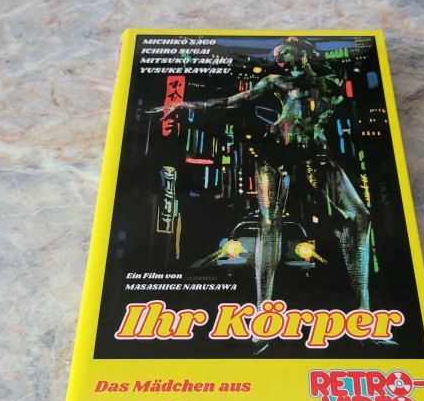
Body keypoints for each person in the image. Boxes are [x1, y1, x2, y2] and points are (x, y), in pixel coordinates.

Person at [154, 37, 372, 312]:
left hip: (316, 153)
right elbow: (232, 101)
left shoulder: (331, 80)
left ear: (302, 53)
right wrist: (188, 105)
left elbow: (352, 63)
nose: (278, 61)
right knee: (270, 222)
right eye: (276, 58)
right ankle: (262, 308)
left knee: (360, 216)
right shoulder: (276, 81)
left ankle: (364, 307)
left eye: (283, 55)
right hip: (278, 152)